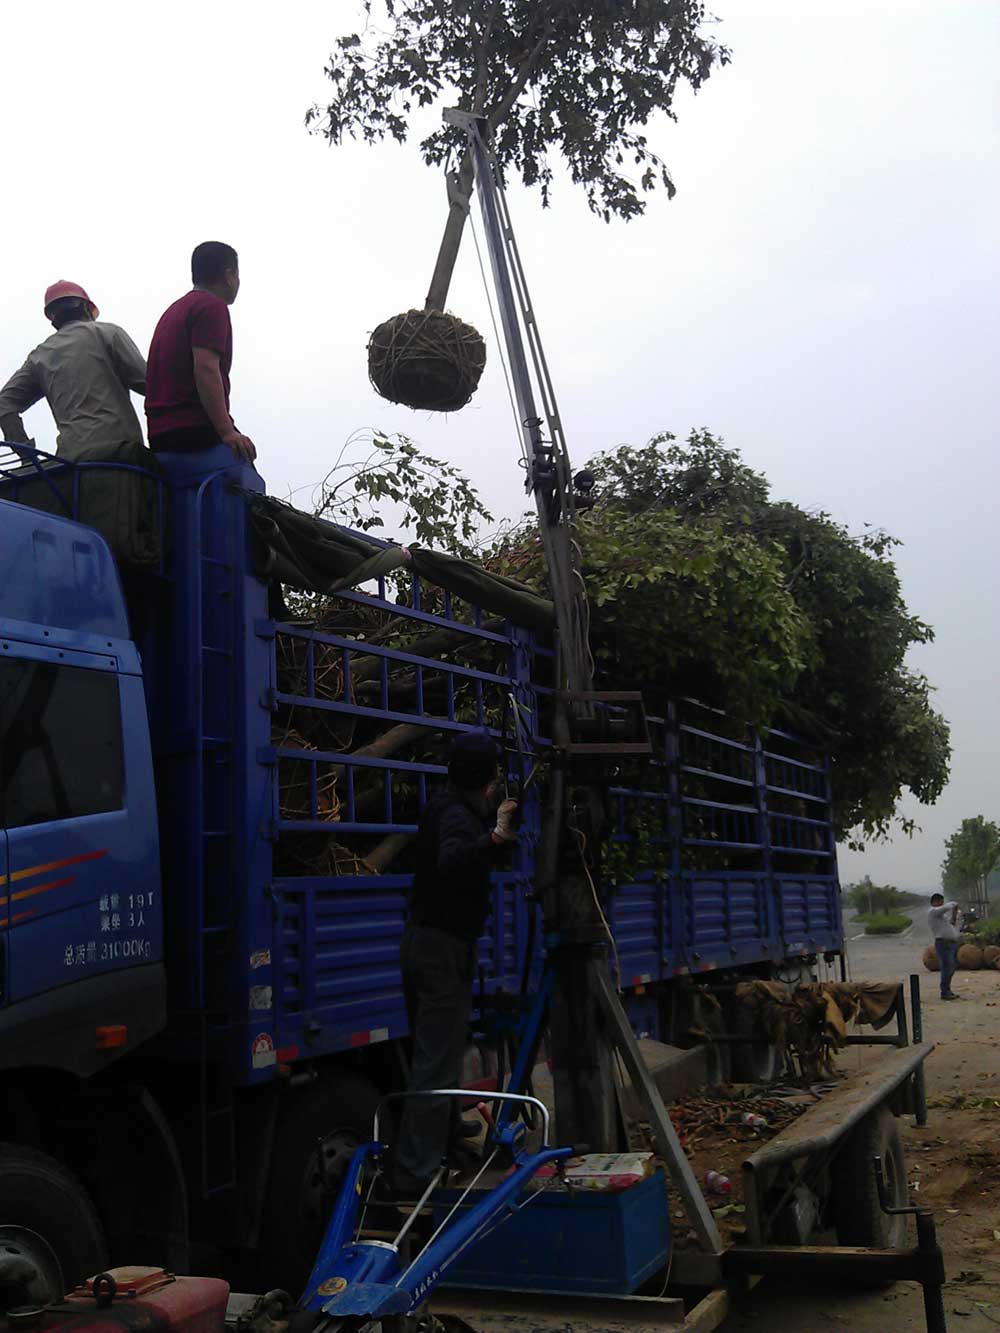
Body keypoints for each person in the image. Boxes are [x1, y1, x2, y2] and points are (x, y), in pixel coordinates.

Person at [393, 731, 519, 1197]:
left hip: (431, 944)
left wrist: (494, 832)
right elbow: (453, 858)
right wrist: (495, 836)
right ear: (485, 777)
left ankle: (446, 1140)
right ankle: (415, 1172)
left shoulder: (451, 807)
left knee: (442, 1049)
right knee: (435, 1058)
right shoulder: (455, 817)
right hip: (440, 948)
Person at [0, 281, 146, 460]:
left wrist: (26, 454)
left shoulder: (41, 355)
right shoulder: (108, 333)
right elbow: (149, 384)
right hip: (121, 456)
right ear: (86, 308)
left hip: (71, 463)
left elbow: (4, 403)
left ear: (53, 317)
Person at [145, 241, 256, 463]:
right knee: (247, 476)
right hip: (192, 428)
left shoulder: (173, 311)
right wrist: (227, 431)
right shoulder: (211, 306)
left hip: (159, 435)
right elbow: (205, 368)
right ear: (229, 275)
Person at [928, 892, 962, 1000]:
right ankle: (945, 992)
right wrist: (953, 905)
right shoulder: (933, 912)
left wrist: (954, 915)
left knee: (951, 968)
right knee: (947, 967)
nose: (942, 905)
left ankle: (947, 990)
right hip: (943, 944)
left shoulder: (942, 917)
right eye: (940, 902)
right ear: (935, 902)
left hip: (950, 943)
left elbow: (953, 911)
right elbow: (950, 906)